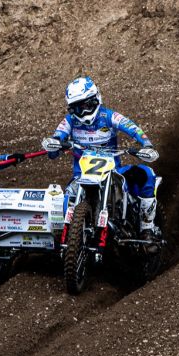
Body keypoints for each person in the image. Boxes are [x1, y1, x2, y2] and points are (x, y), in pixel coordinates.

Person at [42, 76, 159, 242]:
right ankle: (68, 240)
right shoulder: (69, 121)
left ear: (96, 99)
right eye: (77, 108)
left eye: (87, 106)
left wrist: (146, 144)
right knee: (66, 200)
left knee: (146, 174)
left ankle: (147, 228)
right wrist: (54, 144)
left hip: (112, 172)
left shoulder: (109, 116)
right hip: (81, 176)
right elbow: (56, 142)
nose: (83, 112)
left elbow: (133, 128)